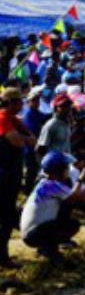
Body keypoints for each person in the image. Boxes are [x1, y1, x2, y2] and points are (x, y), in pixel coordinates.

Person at [20, 150, 85, 259]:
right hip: (33, 234)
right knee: (71, 225)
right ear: (58, 170)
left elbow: (76, 196)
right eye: (66, 168)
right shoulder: (51, 185)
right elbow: (78, 197)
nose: (68, 170)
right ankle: (47, 250)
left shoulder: (48, 183)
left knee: (65, 215)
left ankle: (48, 248)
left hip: (33, 232)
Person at [0, 87, 36, 268]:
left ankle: (3, 254)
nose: (23, 104)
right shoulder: (3, 119)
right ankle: (3, 257)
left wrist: (26, 137)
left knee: (7, 215)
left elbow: (30, 138)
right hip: (3, 174)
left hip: (11, 173)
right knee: (4, 216)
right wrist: (26, 138)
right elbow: (19, 141)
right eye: (19, 101)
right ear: (12, 103)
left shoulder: (13, 120)